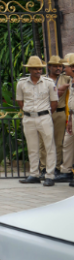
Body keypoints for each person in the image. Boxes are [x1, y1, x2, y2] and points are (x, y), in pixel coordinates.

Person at [16, 56, 57, 185]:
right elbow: (20, 102)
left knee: (49, 147)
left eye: (40, 68)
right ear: (29, 69)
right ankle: (34, 174)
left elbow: (54, 102)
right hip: (29, 118)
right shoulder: (21, 83)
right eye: (35, 68)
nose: (38, 71)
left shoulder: (49, 83)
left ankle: (50, 175)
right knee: (32, 147)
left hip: (44, 117)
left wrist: (45, 114)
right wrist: (30, 112)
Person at [41, 55, 69, 178]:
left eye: (60, 66)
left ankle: (56, 168)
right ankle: (43, 168)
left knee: (58, 142)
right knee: (44, 141)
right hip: (44, 113)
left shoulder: (67, 79)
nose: (58, 68)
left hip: (59, 113)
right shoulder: (42, 80)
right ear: (49, 67)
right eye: (56, 66)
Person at [55, 53, 74, 184]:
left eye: (65, 66)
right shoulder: (72, 80)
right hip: (73, 114)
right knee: (67, 143)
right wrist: (70, 119)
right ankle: (66, 171)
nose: (63, 68)